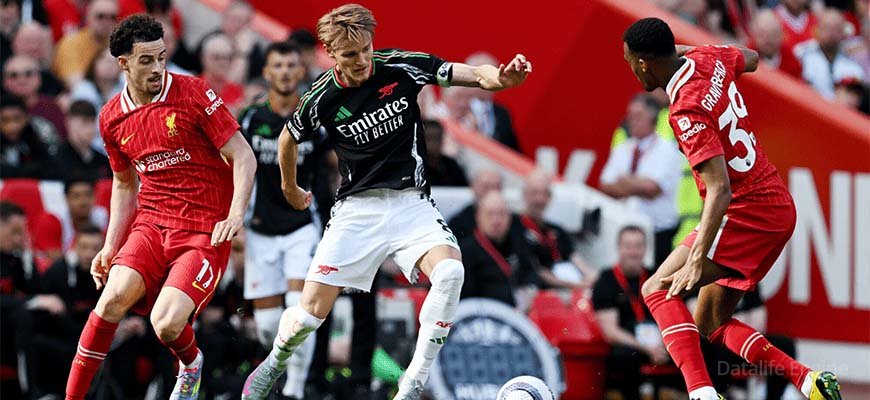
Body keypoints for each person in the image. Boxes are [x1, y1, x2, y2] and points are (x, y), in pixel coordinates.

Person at [240, 4, 531, 400]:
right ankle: (276, 359)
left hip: (412, 204)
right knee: (309, 316)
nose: (361, 60)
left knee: (450, 273)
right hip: (356, 212)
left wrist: (502, 78)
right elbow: (288, 138)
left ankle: (412, 382)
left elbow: (474, 75)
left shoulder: (401, 66)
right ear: (331, 53)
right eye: (349, 54)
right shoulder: (322, 96)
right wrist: (289, 187)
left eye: (365, 49)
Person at [621, 17, 840, 400]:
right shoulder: (710, 59)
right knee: (709, 321)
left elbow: (720, 190)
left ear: (643, 63)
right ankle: (808, 380)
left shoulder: (685, 111)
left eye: (630, 63)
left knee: (656, 289)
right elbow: (751, 57)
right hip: (775, 204)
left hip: (745, 211)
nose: (632, 72)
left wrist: (697, 258)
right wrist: (693, 53)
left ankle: (701, 393)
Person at [63, 14, 256, 400]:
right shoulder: (111, 117)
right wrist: (110, 245)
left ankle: (191, 362)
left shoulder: (193, 93)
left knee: (165, 324)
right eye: (146, 60)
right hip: (151, 224)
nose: (157, 68)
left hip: (203, 228)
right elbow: (124, 184)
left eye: (162, 57)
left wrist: (236, 213)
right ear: (124, 63)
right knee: (110, 300)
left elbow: (244, 156)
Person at [237, 40, 326, 400]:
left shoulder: (315, 117)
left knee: (300, 313)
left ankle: (295, 390)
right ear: (266, 72)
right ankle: (281, 374)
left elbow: (336, 164)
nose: (285, 72)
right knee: (268, 325)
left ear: (301, 71)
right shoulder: (250, 118)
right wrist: (235, 216)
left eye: (291, 65)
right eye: (278, 65)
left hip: (302, 226)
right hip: (260, 229)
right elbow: (234, 167)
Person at [600, 93, 683, 267]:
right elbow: (605, 185)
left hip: (658, 233)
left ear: (652, 119)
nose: (632, 121)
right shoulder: (623, 148)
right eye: (630, 115)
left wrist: (624, 181)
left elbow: (652, 189)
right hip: (626, 229)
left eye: (637, 116)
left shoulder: (667, 150)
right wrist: (637, 184)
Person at [593, 225, 669, 400]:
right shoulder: (606, 280)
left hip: (661, 342)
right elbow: (611, 332)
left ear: (645, 249)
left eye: (638, 246)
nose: (633, 252)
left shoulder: (656, 277)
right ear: (619, 248)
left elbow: (669, 315)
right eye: (628, 246)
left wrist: (664, 345)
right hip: (631, 345)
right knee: (625, 356)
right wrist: (647, 349)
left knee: (700, 346)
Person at [459, 191, 538, 308]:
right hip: (485, 312)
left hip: (520, 310)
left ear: (509, 218)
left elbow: (531, 273)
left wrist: (529, 290)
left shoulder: (518, 243)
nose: (496, 221)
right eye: (490, 214)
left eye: (501, 214)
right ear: (478, 217)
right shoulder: (466, 251)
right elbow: (466, 295)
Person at [521, 169, 598, 289]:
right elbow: (536, 269)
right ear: (525, 194)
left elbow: (575, 258)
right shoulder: (516, 227)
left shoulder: (557, 229)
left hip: (573, 283)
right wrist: (576, 285)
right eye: (534, 193)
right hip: (545, 288)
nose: (540, 199)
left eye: (545, 194)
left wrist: (591, 277)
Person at [795, 8, 866, 99]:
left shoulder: (853, 62)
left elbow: (858, 96)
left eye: (836, 29)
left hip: (840, 107)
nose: (831, 34)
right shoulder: (801, 54)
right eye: (827, 28)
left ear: (843, 32)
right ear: (818, 29)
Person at [33, 178, 108, 261]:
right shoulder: (52, 218)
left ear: (95, 196)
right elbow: (54, 258)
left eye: (88, 195)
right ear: (66, 199)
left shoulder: (102, 216)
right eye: (76, 196)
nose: (83, 202)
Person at [463, 51, 521, 151]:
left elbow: (513, 149)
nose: (490, 80)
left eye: (494, 75)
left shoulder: (502, 113)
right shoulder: (459, 108)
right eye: (484, 75)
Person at [51, 0, 118, 85]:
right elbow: (76, 85)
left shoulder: (118, 45)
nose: (106, 22)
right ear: (88, 16)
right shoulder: (72, 43)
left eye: (113, 17)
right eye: (100, 16)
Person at [3, 54, 66, 139]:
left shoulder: (54, 106)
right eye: (14, 75)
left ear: (39, 78)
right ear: (4, 81)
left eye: (28, 74)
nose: (21, 80)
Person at [0, 94, 55, 179]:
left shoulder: (39, 132)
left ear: (26, 118)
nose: (12, 126)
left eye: (17, 119)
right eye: (4, 120)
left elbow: (51, 168)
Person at [56, 100, 112, 180]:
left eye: (92, 122)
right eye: (84, 122)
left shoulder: (103, 161)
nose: (90, 129)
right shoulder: (57, 158)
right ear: (69, 122)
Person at [448, 168, 507, 240]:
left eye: (496, 187)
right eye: (485, 186)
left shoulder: (514, 222)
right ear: (473, 187)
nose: (491, 191)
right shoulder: (459, 223)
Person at [747, 9, 802, 78]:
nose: (768, 40)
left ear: (781, 35)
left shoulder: (792, 61)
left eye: (773, 35)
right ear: (753, 35)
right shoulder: (746, 59)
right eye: (762, 35)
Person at [198, 33, 245, 113]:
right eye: (217, 57)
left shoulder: (236, 90)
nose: (223, 62)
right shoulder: (192, 87)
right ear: (203, 58)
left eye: (228, 58)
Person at [422, 119, 468, 187]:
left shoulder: (451, 165)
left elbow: (464, 188)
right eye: (429, 138)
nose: (433, 143)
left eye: (437, 138)